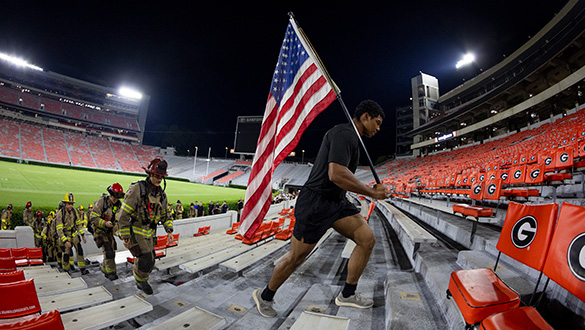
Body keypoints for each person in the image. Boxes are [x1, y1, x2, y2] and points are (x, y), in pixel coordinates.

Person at [253, 100, 388, 317]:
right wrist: (371, 192)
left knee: (367, 239)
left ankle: (348, 294)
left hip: (336, 201)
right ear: (365, 117)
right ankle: (265, 296)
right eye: (377, 123)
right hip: (315, 203)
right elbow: (336, 174)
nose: (378, 129)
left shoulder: (352, 138)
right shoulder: (344, 134)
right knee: (296, 257)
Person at [117, 158, 174, 295]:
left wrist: (169, 231)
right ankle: (140, 281)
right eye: (156, 175)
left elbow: (166, 215)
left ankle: (142, 278)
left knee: (150, 261)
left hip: (149, 234)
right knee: (145, 258)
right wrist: (126, 236)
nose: (159, 179)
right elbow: (123, 215)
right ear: (149, 174)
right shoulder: (137, 189)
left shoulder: (162, 195)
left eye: (161, 176)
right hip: (136, 232)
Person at [91, 183, 125, 280]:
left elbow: (118, 221)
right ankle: (111, 273)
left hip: (109, 232)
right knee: (109, 251)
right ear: (110, 194)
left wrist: (119, 233)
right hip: (100, 231)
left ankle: (104, 269)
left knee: (111, 251)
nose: (116, 199)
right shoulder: (101, 202)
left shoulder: (118, 205)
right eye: (114, 197)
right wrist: (104, 223)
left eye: (118, 197)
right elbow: (93, 218)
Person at [55, 193, 89, 275]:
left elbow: (78, 224)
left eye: (72, 204)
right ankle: (66, 270)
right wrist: (65, 241)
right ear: (65, 204)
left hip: (73, 234)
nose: (70, 206)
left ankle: (82, 268)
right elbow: (59, 230)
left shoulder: (74, 211)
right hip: (65, 235)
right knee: (66, 254)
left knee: (79, 250)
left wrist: (83, 235)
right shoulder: (60, 214)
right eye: (69, 204)